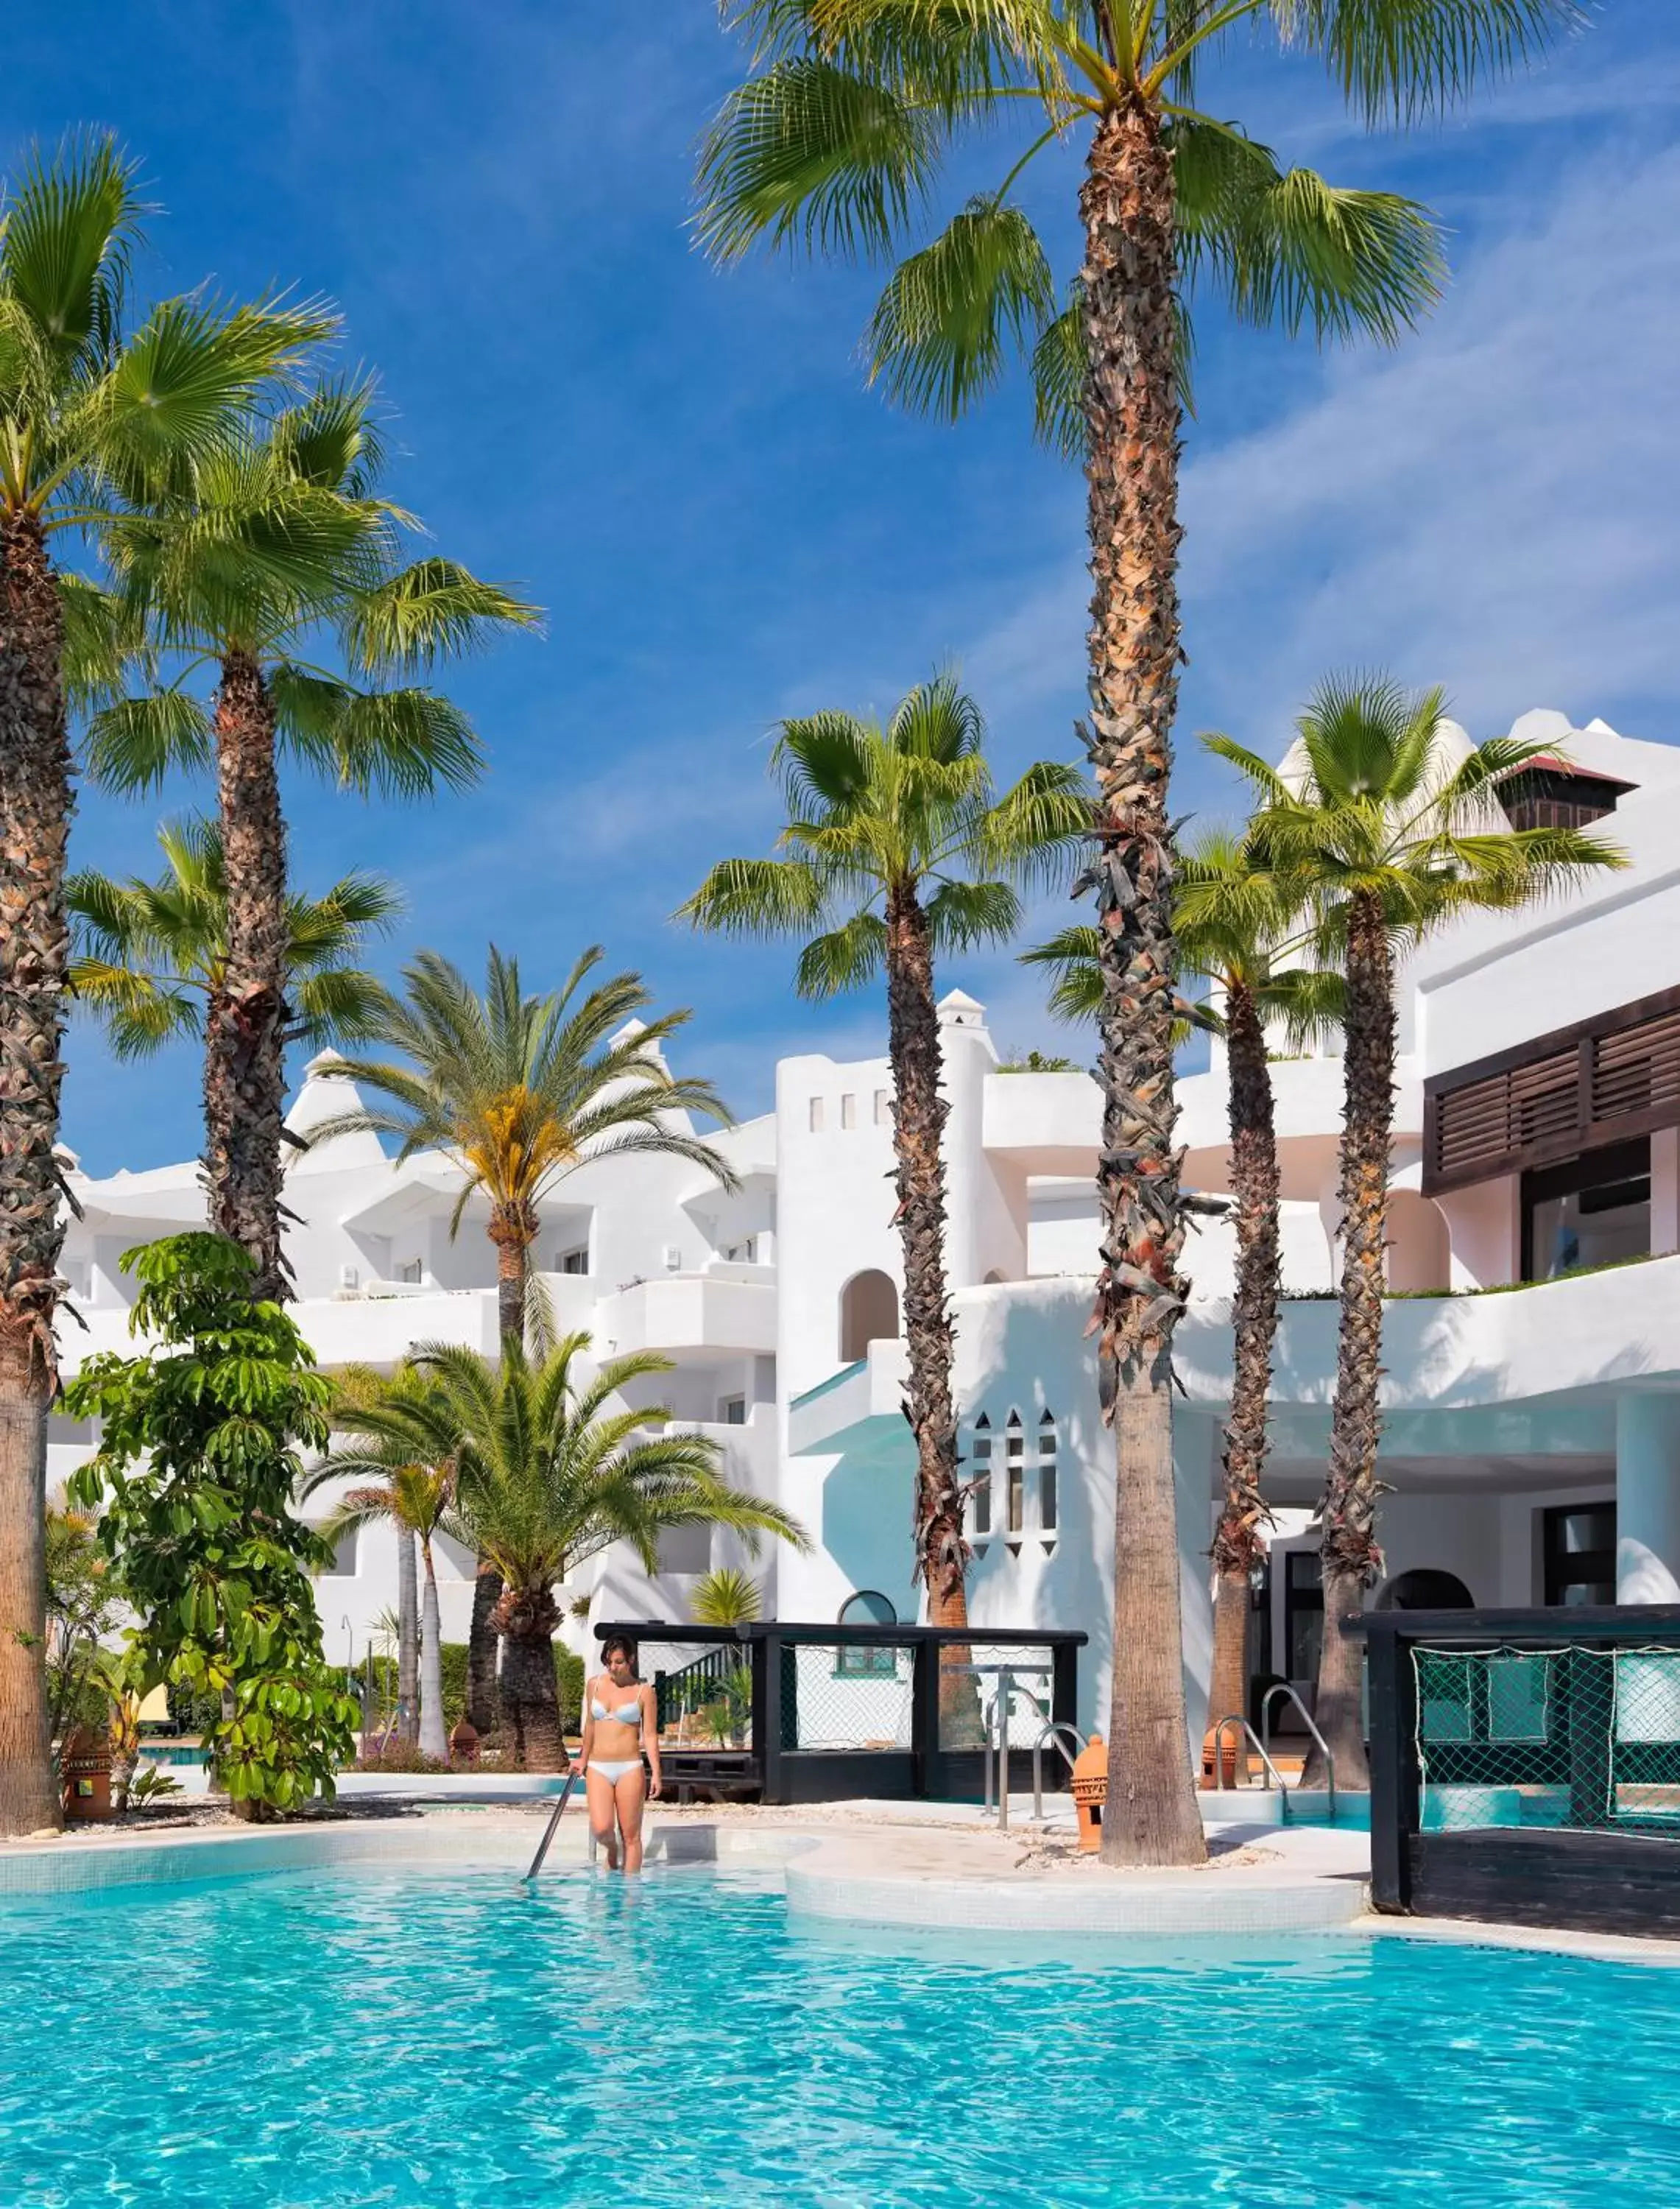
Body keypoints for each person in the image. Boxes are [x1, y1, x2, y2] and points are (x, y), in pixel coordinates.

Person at [573, 1635, 660, 1872]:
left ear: (631, 1660)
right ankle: (612, 1850)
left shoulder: (644, 1692)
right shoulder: (595, 1684)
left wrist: (657, 1774)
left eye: (619, 1662)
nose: (613, 1667)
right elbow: (590, 1725)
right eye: (609, 1662)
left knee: (631, 1835)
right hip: (598, 1766)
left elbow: (650, 1735)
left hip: (630, 1767)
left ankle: (631, 1897)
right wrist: (583, 1757)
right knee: (602, 1828)